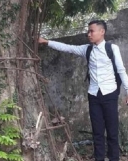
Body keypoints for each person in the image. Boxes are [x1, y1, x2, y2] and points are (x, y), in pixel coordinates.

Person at [39, 20, 128, 161]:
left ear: (102, 32)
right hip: (93, 95)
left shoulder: (112, 48)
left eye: (92, 31)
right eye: (88, 31)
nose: (89, 34)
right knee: (97, 132)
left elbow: (121, 70)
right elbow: (68, 48)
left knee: (112, 132)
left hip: (110, 94)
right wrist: (47, 42)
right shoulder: (87, 49)